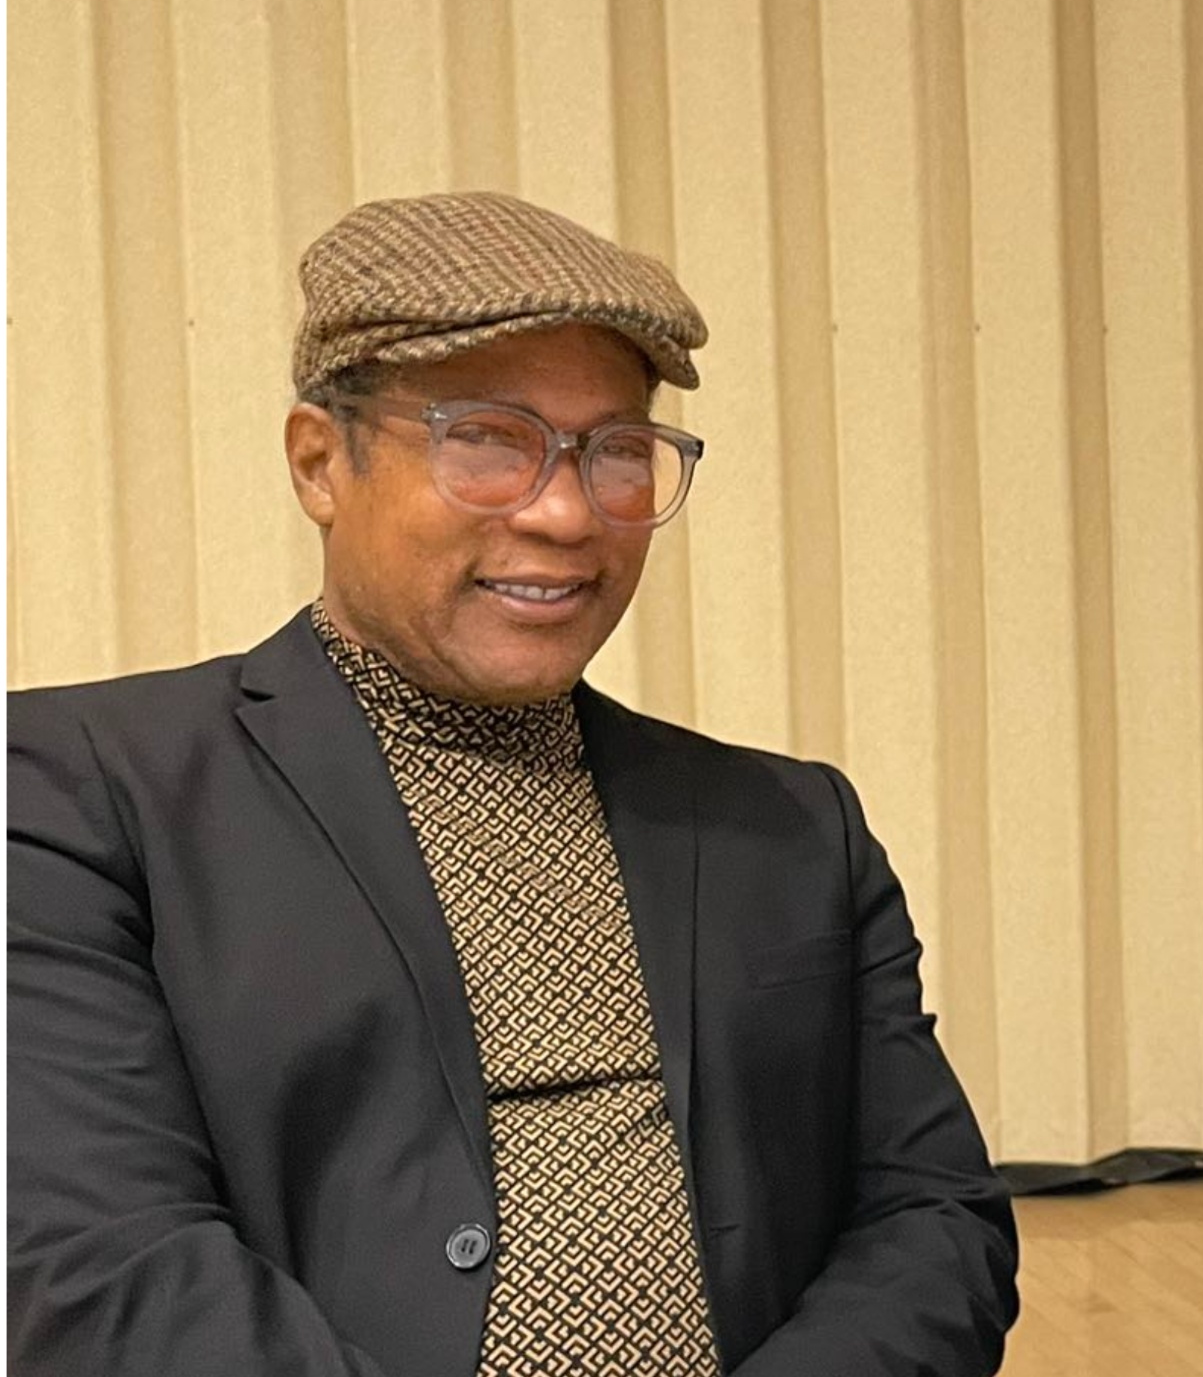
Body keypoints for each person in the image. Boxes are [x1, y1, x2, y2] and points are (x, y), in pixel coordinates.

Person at [8, 192, 1019, 1376]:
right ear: (320, 462)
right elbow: (105, 1263)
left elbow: (934, 1220)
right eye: (488, 441)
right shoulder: (81, 795)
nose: (563, 513)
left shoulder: (793, 827)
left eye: (617, 453)